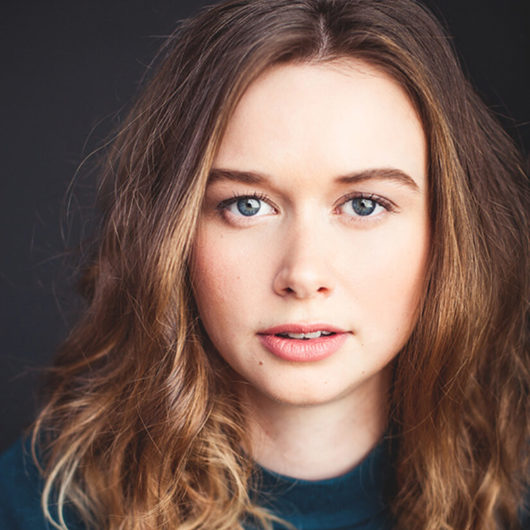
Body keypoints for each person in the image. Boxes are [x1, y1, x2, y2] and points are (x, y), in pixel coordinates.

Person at [0, 0, 528, 528]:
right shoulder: (42, 505)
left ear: (448, 232)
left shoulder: (514, 494)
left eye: (364, 204)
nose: (302, 274)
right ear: (172, 231)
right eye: (246, 205)